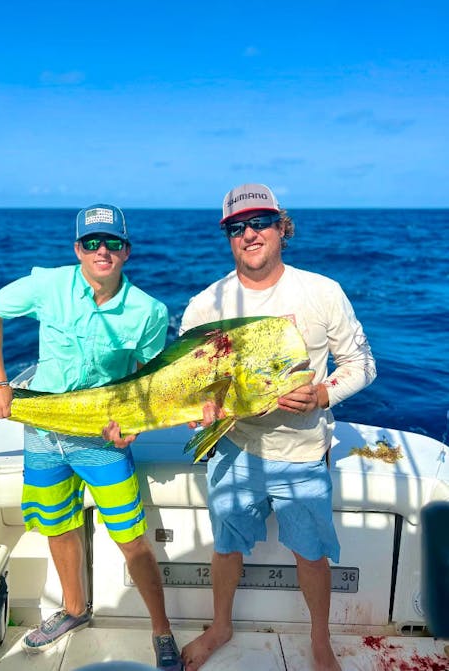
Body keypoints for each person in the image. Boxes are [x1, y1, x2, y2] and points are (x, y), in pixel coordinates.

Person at [0, 204, 184, 671]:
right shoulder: (49, 286)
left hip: (99, 438)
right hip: (44, 432)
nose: (102, 250)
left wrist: (135, 425)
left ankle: (162, 629)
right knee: (59, 524)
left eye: (112, 242)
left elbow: (150, 383)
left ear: (126, 251)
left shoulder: (149, 311)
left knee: (131, 538)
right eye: (92, 243)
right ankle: (73, 610)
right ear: (78, 250)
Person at [179, 184, 377, 671]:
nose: (250, 234)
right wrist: (203, 408)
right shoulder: (206, 305)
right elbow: (190, 390)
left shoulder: (321, 291)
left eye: (260, 222)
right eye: (237, 227)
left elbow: (362, 363)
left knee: (310, 555)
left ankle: (320, 640)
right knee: (226, 547)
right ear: (227, 236)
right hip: (234, 449)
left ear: (282, 228)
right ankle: (221, 625)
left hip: (304, 451)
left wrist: (323, 393)